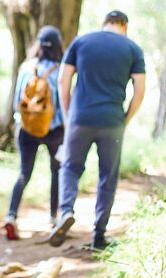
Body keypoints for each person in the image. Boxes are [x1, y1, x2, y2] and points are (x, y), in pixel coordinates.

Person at [51, 10, 146, 251]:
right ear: (124, 25)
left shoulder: (81, 42)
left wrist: (68, 114)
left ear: (105, 24)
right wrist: (126, 119)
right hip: (113, 121)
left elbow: (63, 80)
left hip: (80, 118)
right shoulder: (133, 49)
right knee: (107, 177)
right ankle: (99, 235)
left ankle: (65, 212)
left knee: (70, 168)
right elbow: (140, 90)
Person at [3, 26, 66, 240]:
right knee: (56, 171)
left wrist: (21, 122)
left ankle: (11, 216)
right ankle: (54, 217)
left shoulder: (26, 68)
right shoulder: (61, 70)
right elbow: (64, 104)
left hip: (27, 129)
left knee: (24, 173)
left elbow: (16, 103)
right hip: (54, 130)